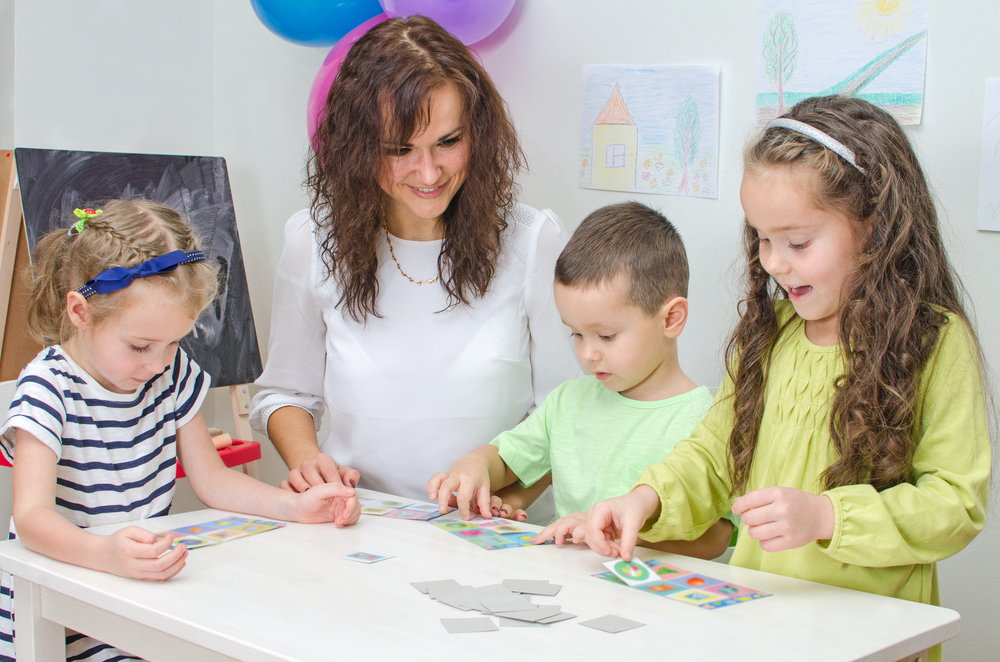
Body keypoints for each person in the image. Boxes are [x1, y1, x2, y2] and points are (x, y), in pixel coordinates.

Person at [582, 97, 990, 661]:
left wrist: (827, 517)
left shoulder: (936, 341)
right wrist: (645, 500)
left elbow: (955, 503)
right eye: (761, 238)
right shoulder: (768, 334)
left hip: (873, 640)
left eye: (797, 243)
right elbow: (714, 455)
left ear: (875, 227)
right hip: (759, 627)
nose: (773, 262)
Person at [0, 201, 360, 662]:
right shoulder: (47, 387)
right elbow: (32, 518)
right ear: (80, 312)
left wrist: (293, 506)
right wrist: (105, 553)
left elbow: (212, 480)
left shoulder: (170, 375)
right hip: (54, 617)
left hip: (133, 601)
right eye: (139, 346)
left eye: (174, 342)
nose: (158, 362)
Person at [249, 16, 579, 503]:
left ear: (479, 134)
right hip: (358, 523)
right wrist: (308, 463)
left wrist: (506, 505)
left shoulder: (533, 240)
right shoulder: (312, 241)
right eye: (398, 150)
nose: (428, 173)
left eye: (448, 142)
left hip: (490, 530)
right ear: (355, 149)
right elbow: (284, 395)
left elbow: (566, 410)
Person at [428, 202, 734, 560]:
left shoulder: (709, 421)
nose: (588, 354)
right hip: (574, 591)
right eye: (575, 334)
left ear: (671, 319)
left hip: (659, 601)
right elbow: (507, 461)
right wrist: (475, 466)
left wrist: (609, 529)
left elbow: (718, 537)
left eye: (605, 336)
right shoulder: (567, 402)